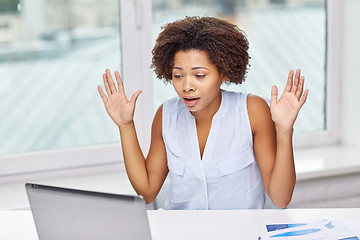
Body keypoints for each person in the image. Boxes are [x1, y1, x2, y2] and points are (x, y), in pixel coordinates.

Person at [97, 16, 308, 210]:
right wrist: (125, 125)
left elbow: (281, 198)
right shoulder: (166, 115)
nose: (187, 86)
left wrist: (284, 130)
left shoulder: (252, 111)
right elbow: (147, 190)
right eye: (178, 76)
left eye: (199, 75)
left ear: (224, 72)